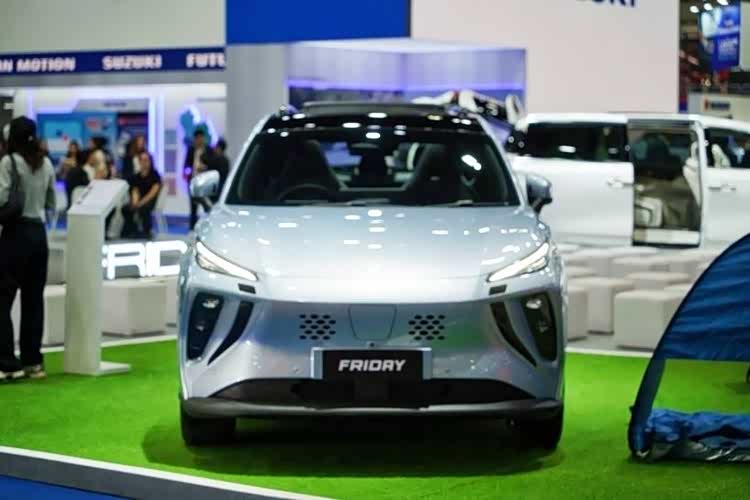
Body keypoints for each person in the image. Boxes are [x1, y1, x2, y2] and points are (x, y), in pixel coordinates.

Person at [0, 116, 56, 380]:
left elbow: (2, 197)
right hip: (38, 234)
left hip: (15, 234)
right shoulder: (46, 163)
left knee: (2, 299)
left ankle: (7, 363)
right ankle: (33, 362)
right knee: (33, 300)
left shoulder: (9, 163)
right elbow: (52, 203)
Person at [122, 151, 161, 239]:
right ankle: (132, 230)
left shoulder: (155, 175)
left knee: (144, 208)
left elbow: (152, 193)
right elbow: (134, 190)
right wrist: (135, 202)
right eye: (142, 160)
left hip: (150, 200)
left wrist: (140, 203)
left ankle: (146, 231)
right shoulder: (136, 176)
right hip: (139, 199)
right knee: (126, 208)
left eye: (146, 160)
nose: (144, 163)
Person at [184, 129, 212, 229]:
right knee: (193, 207)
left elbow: (213, 164)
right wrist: (188, 172)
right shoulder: (191, 150)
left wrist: (205, 167)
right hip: (193, 181)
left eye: (201, 138)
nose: (199, 140)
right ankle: (192, 227)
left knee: (207, 206)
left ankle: (208, 227)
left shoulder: (209, 150)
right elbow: (186, 164)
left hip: (206, 182)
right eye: (197, 138)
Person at [204, 138, 229, 203]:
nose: (214, 149)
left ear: (219, 148)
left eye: (216, 147)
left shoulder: (217, 159)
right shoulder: (225, 159)